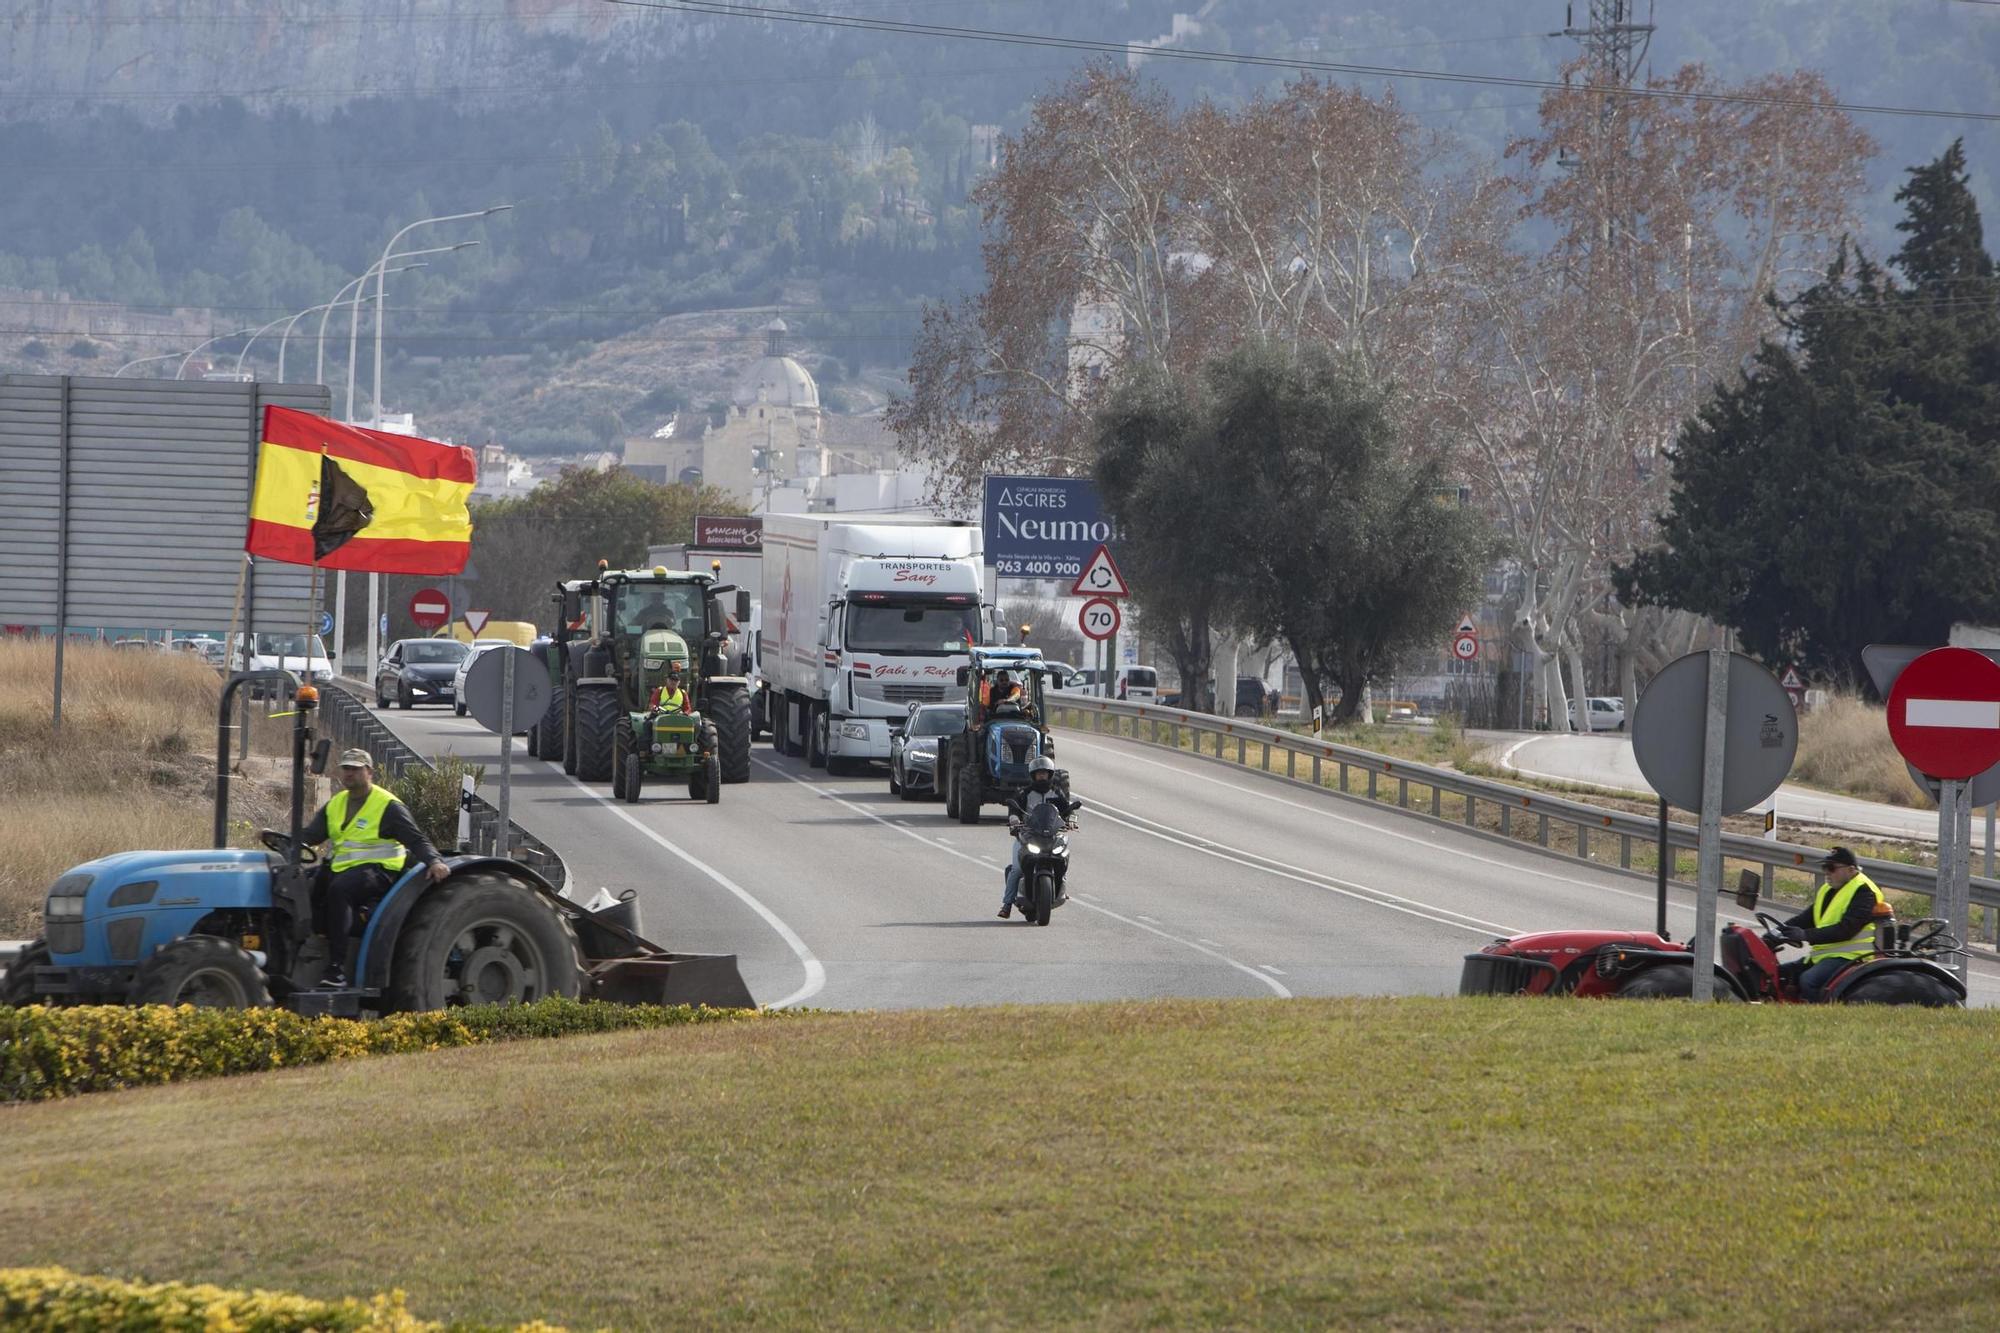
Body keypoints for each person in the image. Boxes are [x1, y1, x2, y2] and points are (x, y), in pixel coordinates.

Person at [301, 748, 450, 989]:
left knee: (340, 890)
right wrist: (286, 841)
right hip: (344, 869)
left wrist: (434, 861)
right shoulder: (336, 803)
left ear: (369, 772)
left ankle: (337, 969)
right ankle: (310, 950)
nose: (349, 773)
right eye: (346, 768)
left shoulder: (387, 805)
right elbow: (311, 835)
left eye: (355, 769)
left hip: (380, 872)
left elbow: (416, 839)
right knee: (302, 885)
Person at [1771, 847, 1884, 1002]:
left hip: (1851, 957)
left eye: (1831, 868)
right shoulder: (1828, 889)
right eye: (1824, 867)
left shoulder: (1864, 892)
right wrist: (1777, 931)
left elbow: (1846, 930)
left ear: (1851, 869)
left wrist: (1805, 935)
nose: (1826, 872)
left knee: (1809, 980)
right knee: (1781, 973)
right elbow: (1806, 918)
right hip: (1826, 955)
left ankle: (1819, 1017)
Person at [999, 757, 1080, 919]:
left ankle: (1060, 887)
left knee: (1062, 857)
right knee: (1016, 869)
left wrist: (1071, 819)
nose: (1042, 777)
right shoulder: (1025, 792)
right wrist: (1014, 820)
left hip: (1050, 835)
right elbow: (1014, 809)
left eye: (1044, 774)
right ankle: (1007, 904)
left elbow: (1068, 809)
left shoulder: (1056, 792)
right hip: (1028, 835)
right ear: (1033, 775)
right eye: (1039, 774)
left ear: (1050, 775)